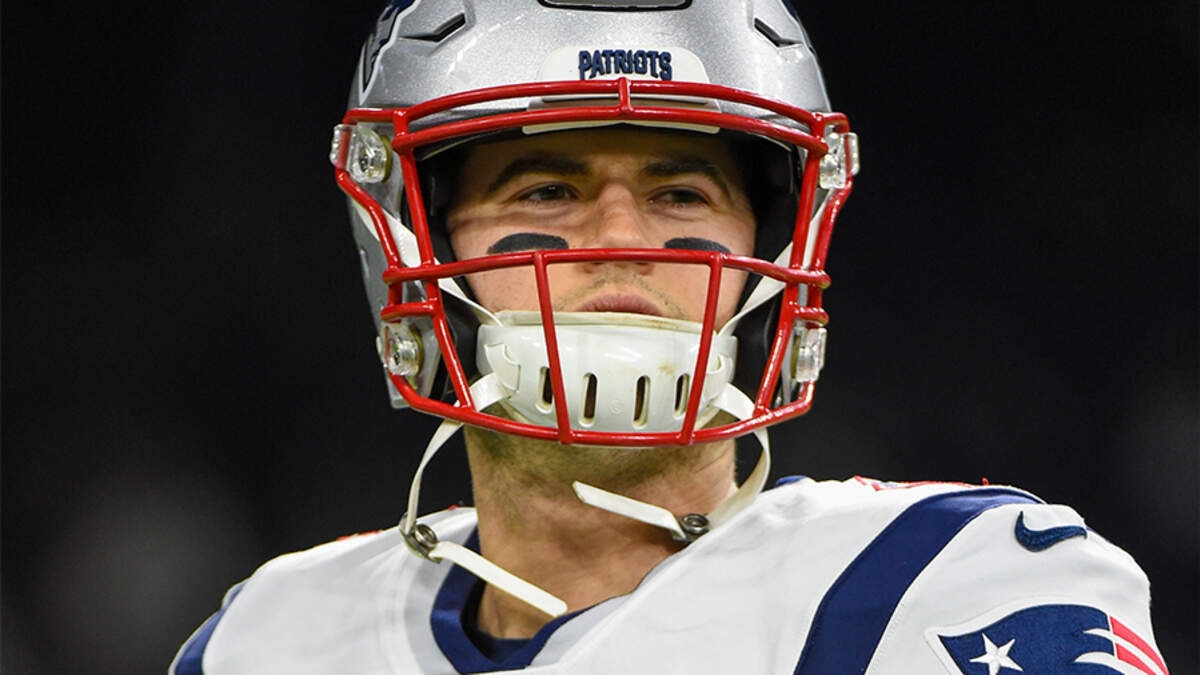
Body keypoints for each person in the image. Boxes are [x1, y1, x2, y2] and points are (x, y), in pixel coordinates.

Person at [172, 1, 1167, 673]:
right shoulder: (271, 639)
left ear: (761, 252)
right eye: (547, 189)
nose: (619, 239)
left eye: (680, 192)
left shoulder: (943, 583)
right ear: (420, 244)